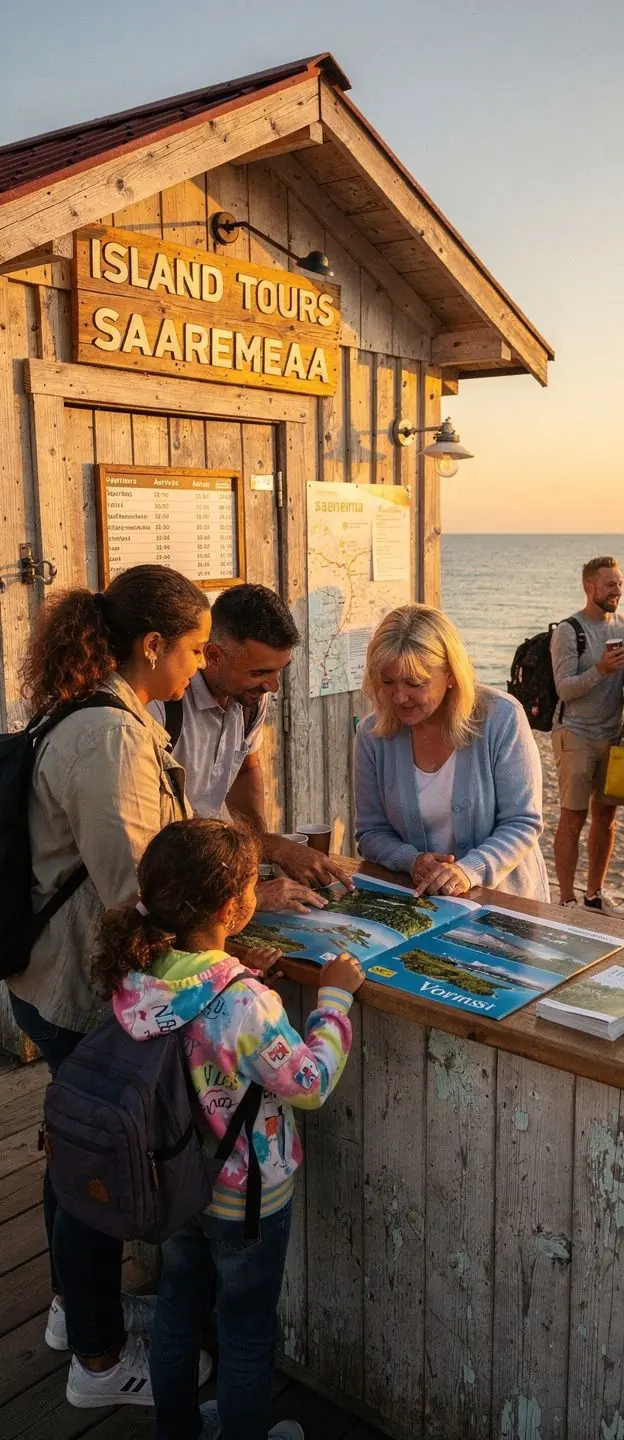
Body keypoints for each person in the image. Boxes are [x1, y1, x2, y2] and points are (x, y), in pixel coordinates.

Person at [6, 564, 211, 1404]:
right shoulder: (113, 736)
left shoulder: (88, 706)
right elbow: (137, 886)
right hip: (80, 987)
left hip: (48, 974)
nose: (197, 668)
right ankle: (96, 1364)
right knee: (97, 1166)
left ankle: (69, 1310)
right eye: (194, 651)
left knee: (72, 1152)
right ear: (151, 644)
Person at [99, 817, 364, 1440]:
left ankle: (178, 1431)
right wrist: (335, 1001)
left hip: (171, 1182)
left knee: (177, 1316)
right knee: (246, 1337)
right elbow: (309, 1083)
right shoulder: (243, 1003)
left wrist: (238, 973)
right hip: (245, 1200)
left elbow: (193, 1026)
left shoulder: (136, 971)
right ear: (233, 906)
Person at [149, 584, 352, 906]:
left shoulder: (251, 700)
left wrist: (259, 855)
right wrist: (271, 847)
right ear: (213, 656)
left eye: (279, 671)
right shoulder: (161, 705)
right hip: (167, 882)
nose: (272, 686)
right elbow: (150, 832)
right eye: (260, 672)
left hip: (211, 868)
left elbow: (246, 768)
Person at [354, 605, 549, 900]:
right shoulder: (373, 734)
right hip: (422, 904)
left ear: (450, 674)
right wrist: (412, 860)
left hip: (506, 902)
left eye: (415, 683)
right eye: (387, 682)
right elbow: (370, 833)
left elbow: (523, 822)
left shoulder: (502, 717)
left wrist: (468, 871)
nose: (399, 697)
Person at [550, 556, 624, 918]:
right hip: (576, 735)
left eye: (619, 583)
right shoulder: (569, 631)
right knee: (573, 818)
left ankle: (595, 895)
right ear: (590, 587)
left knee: (607, 819)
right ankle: (568, 900)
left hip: (613, 734)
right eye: (609, 584)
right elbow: (565, 689)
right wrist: (600, 669)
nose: (617, 590)